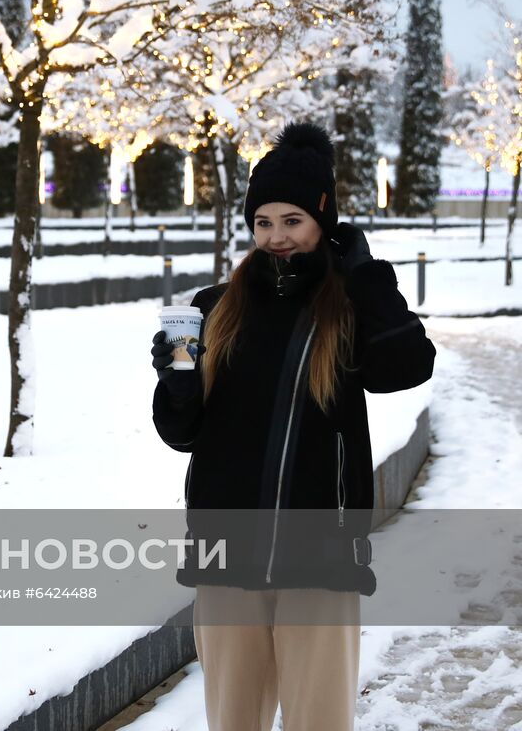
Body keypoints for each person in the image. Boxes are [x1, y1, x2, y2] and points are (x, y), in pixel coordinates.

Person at [149, 122, 434, 731]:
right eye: (263, 223)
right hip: (226, 556)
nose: (276, 237)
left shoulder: (348, 307)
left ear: (323, 218)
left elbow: (407, 367)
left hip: (320, 555)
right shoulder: (212, 308)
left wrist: (366, 278)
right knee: (233, 720)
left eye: (292, 221)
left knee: (318, 722)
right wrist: (176, 387)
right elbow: (182, 435)